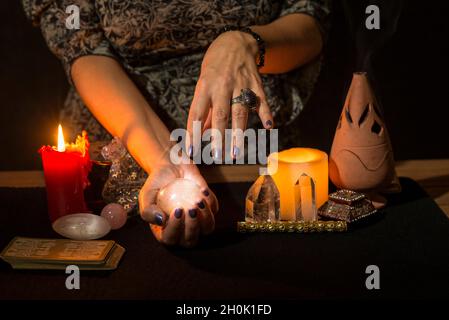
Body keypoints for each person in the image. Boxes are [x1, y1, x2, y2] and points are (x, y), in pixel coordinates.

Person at [23, 0, 330, 247]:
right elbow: (82, 48)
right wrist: (163, 158)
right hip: (126, 158)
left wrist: (246, 45)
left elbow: (311, 20)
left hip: (257, 161)